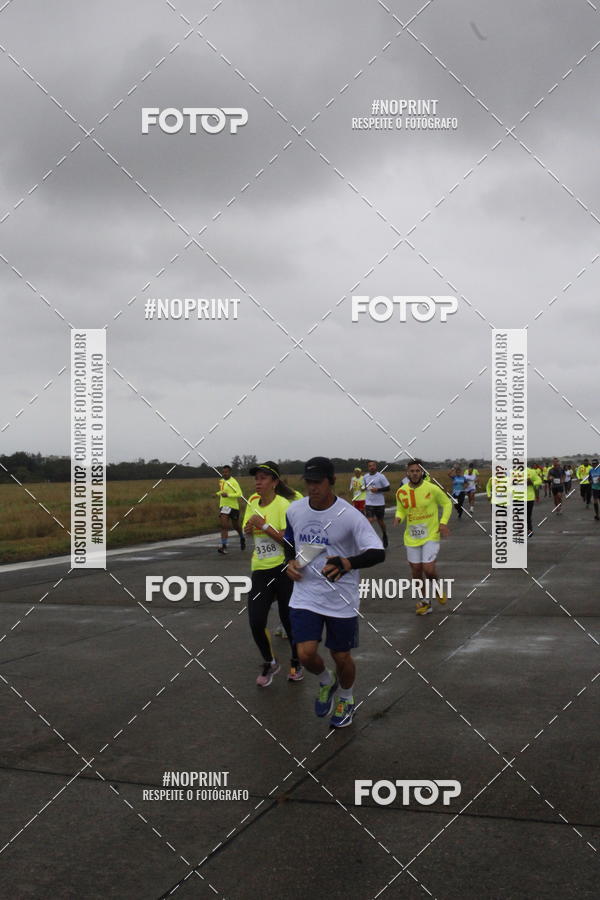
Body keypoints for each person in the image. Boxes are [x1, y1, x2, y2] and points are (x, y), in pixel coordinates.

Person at [285, 457, 385, 728]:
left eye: (318, 482)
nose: (312, 487)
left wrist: (348, 562)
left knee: (341, 656)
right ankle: (326, 682)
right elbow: (291, 541)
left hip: (341, 597)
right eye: (309, 482)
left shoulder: (350, 515)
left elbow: (378, 552)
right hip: (306, 594)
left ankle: (346, 697)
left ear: (331, 481)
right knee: (305, 654)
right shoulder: (295, 510)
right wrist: (290, 563)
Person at [242, 462, 302, 686]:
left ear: (275, 482)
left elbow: (290, 541)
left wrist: (264, 527)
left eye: (263, 478)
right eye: (256, 478)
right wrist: (248, 530)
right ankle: (270, 661)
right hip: (260, 569)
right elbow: (248, 529)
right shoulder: (252, 502)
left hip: (283, 569)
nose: (258, 482)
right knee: (256, 621)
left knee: (289, 620)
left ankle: (296, 660)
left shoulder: (284, 505)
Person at [394, 459, 452, 615]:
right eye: (411, 471)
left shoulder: (432, 489)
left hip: (431, 535)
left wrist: (443, 523)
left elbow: (447, 503)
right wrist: (398, 517)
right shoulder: (401, 491)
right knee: (417, 572)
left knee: (429, 569)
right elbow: (401, 509)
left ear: (422, 472)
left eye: (417, 471)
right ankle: (426, 602)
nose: (414, 473)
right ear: (407, 473)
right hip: (411, 537)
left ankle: (438, 589)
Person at [216, 465, 245, 554]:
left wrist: (228, 495)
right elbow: (222, 491)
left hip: (233, 507)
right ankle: (224, 546)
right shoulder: (221, 481)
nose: (224, 474)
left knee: (236, 526)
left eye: (226, 472)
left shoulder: (234, 482)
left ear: (230, 472)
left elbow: (240, 494)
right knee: (224, 526)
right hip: (224, 506)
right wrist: (217, 494)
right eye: (223, 472)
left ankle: (241, 537)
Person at [364, 460, 391, 548]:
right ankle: (369, 539)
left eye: (373, 465)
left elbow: (388, 488)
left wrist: (378, 490)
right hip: (369, 502)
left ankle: (384, 534)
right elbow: (364, 486)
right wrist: (362, 488)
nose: (372, 467)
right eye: (370, 466)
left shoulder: (381, 476)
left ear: (376, 467)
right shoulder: (365, 477)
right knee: (369, 520)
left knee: (380, 521)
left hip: (379, 503)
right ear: (368, 467)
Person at [525, 465, 542, 536]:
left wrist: (532, 483)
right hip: (516, 497)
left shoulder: (531, 472)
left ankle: (529, 529)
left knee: (528, 515)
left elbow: (539, 480)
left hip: (529, 497)